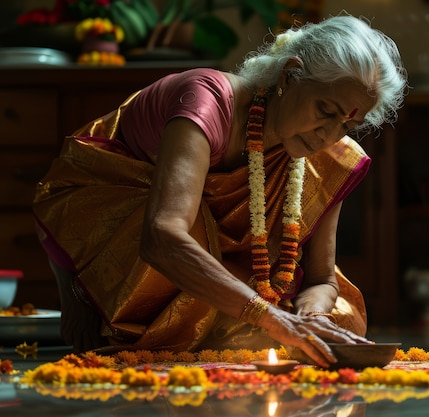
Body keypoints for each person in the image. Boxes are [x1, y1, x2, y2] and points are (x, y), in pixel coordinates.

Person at [33, 14, 408, 368]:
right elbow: (163, 236)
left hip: (222, 257)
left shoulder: (326, 153)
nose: (330, 133)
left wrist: (308, 317)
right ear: (290, 76)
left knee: (341, 324)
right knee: (198, 240)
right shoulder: (207, 102)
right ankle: (84, 287)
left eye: (348, 123)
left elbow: (322, 278)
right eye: (325, 109)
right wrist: (271, 317)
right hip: (113, 217)